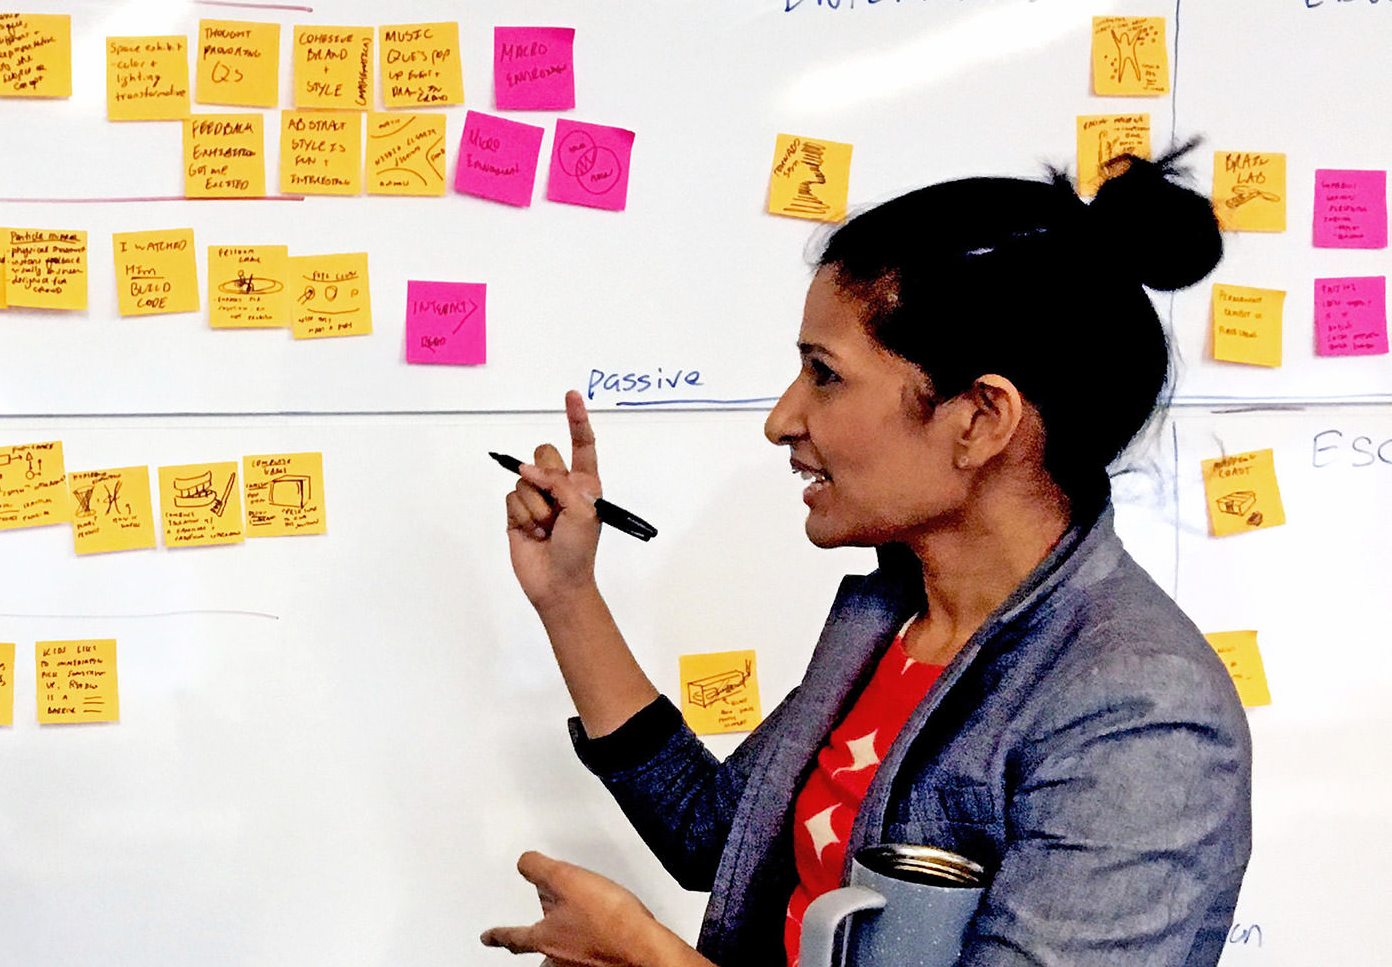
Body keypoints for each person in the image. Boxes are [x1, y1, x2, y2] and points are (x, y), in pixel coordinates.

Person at [479, 152, 1252, 966]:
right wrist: (568, 595)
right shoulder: (893, 622)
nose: (782, 420)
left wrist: (652, 960)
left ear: (982, 418)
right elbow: (715, 836)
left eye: (825, 375)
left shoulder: (1142, 711)